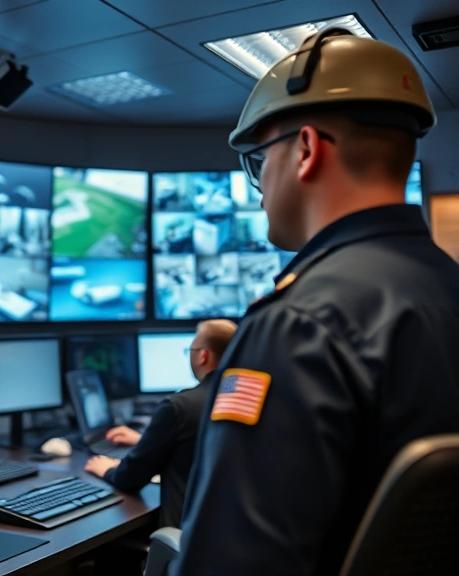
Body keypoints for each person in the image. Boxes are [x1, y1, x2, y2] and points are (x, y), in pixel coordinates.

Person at [172, 29, 459, 575]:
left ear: (305, 149)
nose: (258, 187)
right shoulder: (447, 287)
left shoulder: (295, 326)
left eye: (258, 159)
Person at [84, 319, 237, 528]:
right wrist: (145, 440)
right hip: (232, 531)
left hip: (187, 538)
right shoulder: (248, 399)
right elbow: (207, 444)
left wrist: (108, 469)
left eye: (190, 350)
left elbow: (131, 478)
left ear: (203, 356)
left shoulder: (179, 406)